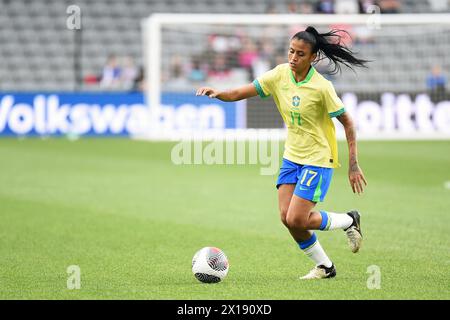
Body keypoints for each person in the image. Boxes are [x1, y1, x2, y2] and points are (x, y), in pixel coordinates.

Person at [196, 26, 369, 280]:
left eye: (300, 54)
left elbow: (348, 122)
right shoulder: (279, 75)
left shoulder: (322, 88)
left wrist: (353, 164)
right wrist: (219, 93)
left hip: (319, 158)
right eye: (291, 51)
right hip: (292, 156)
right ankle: (326, 267)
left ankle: (348, 220)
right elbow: (239, 92)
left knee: (297, 218)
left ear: (313, 58)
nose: (293, 58)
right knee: (286, 219)